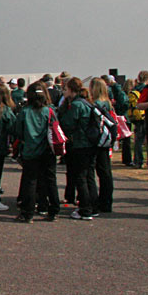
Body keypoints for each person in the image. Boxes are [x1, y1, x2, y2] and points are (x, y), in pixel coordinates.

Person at [14, 82, 60, 222]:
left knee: (30, 181)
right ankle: (53, 210)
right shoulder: (49, 111)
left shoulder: (25, 112)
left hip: (30, 150)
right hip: (47, 150)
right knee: (50, 180)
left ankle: (28, 212)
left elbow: (18, 132)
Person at [58, 77, 97, 220]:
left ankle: (85, 209)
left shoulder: (76, 105)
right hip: (89, 144)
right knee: (88, 177)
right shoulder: (86, 103)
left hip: (79, 144)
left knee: (80, 177)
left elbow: (68, 123)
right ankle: (92, 206)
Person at [90, 78, 115, 213]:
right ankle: (107, 201)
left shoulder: (96, 105)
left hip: (97, 139)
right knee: (105, 172)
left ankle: (99, 201)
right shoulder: (108, 103)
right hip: (106, 139)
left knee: (97, 171)